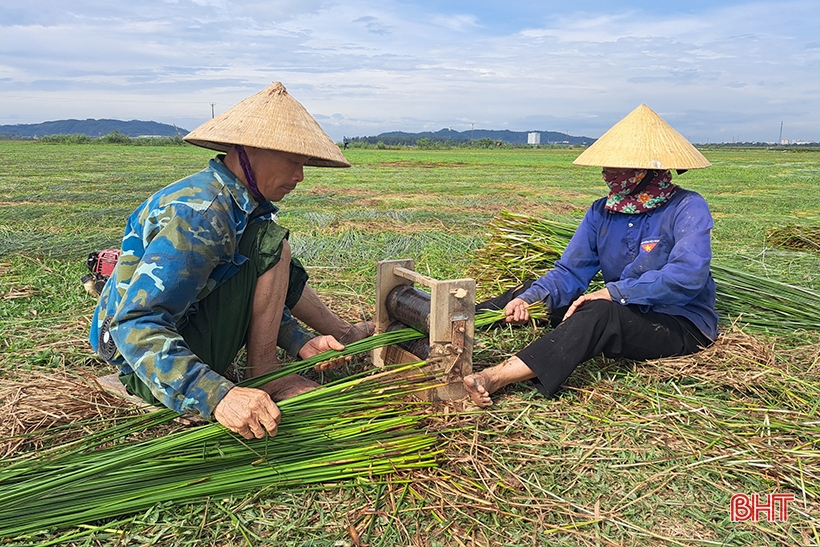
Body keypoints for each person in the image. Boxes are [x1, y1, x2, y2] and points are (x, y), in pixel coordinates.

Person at [90, 82, 370, 439]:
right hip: (139, 368)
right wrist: (218, 396)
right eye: (293, 161)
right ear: (251, 151)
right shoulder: (203, 216)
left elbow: (247, 293)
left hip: (163, 339)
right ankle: (265, 374)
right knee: (272, 247)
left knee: (265, 248)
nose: (300, 176)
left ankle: (278, 362)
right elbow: (135, 323)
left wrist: (298, 340)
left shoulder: (241, 207)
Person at [464, 104, 718, 407]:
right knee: (530, 290)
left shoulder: (687, 207)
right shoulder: (602, 211)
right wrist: (530, 299)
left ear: (645, 170)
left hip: (676, 322)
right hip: (622, 309)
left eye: (619, 166)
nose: (607, 173)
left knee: (599, 312)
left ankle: (495, 377)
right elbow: (570, 272)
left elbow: (688, 276)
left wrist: (614, 293)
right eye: (607, 165)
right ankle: (453, 325)